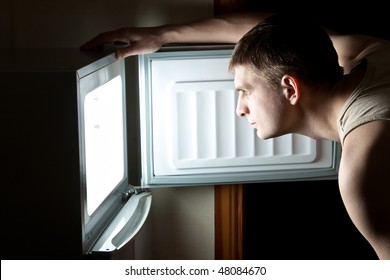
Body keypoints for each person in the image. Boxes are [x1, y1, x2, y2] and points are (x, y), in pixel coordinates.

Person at [81, 12, 390, 260]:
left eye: (245, 91)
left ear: (291, 89)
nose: (240, 109)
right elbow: (274, 33)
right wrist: (162, 35)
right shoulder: (368, 55)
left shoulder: (362, 171)